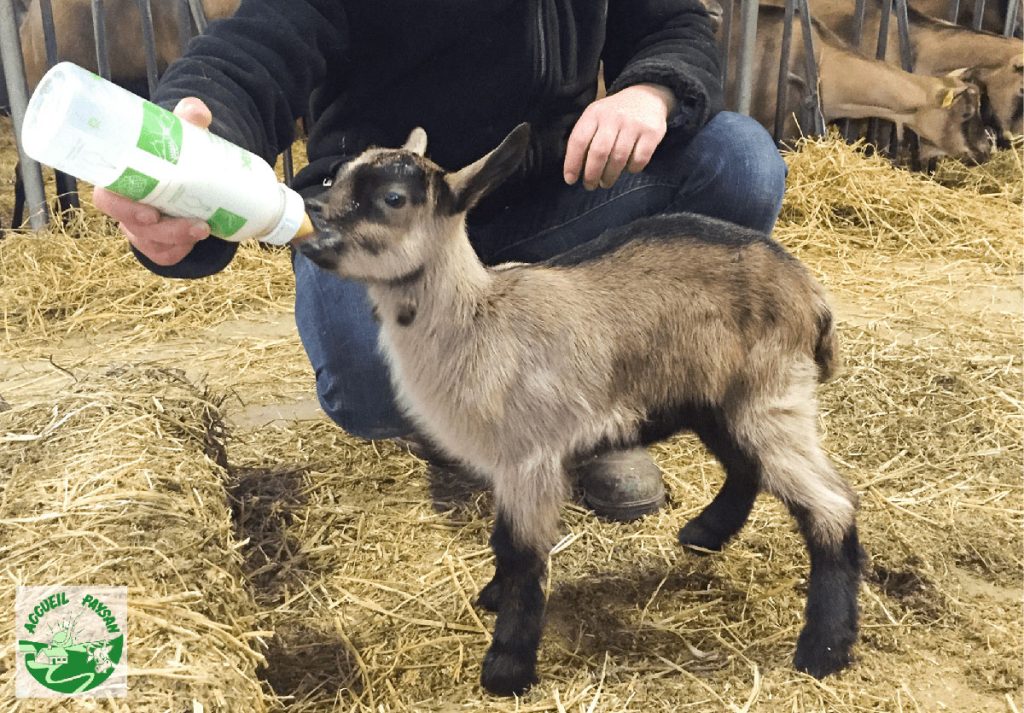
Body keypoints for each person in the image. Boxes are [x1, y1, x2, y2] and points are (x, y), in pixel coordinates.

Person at [94, 0, 787, 521]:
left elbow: (675, 25)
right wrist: (189, 158)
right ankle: (470, 417)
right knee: (369, 377)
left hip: (551, 200)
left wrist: (650, 91)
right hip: (396, 227)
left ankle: (588, 412)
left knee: (738, 165)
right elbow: (255, 53)